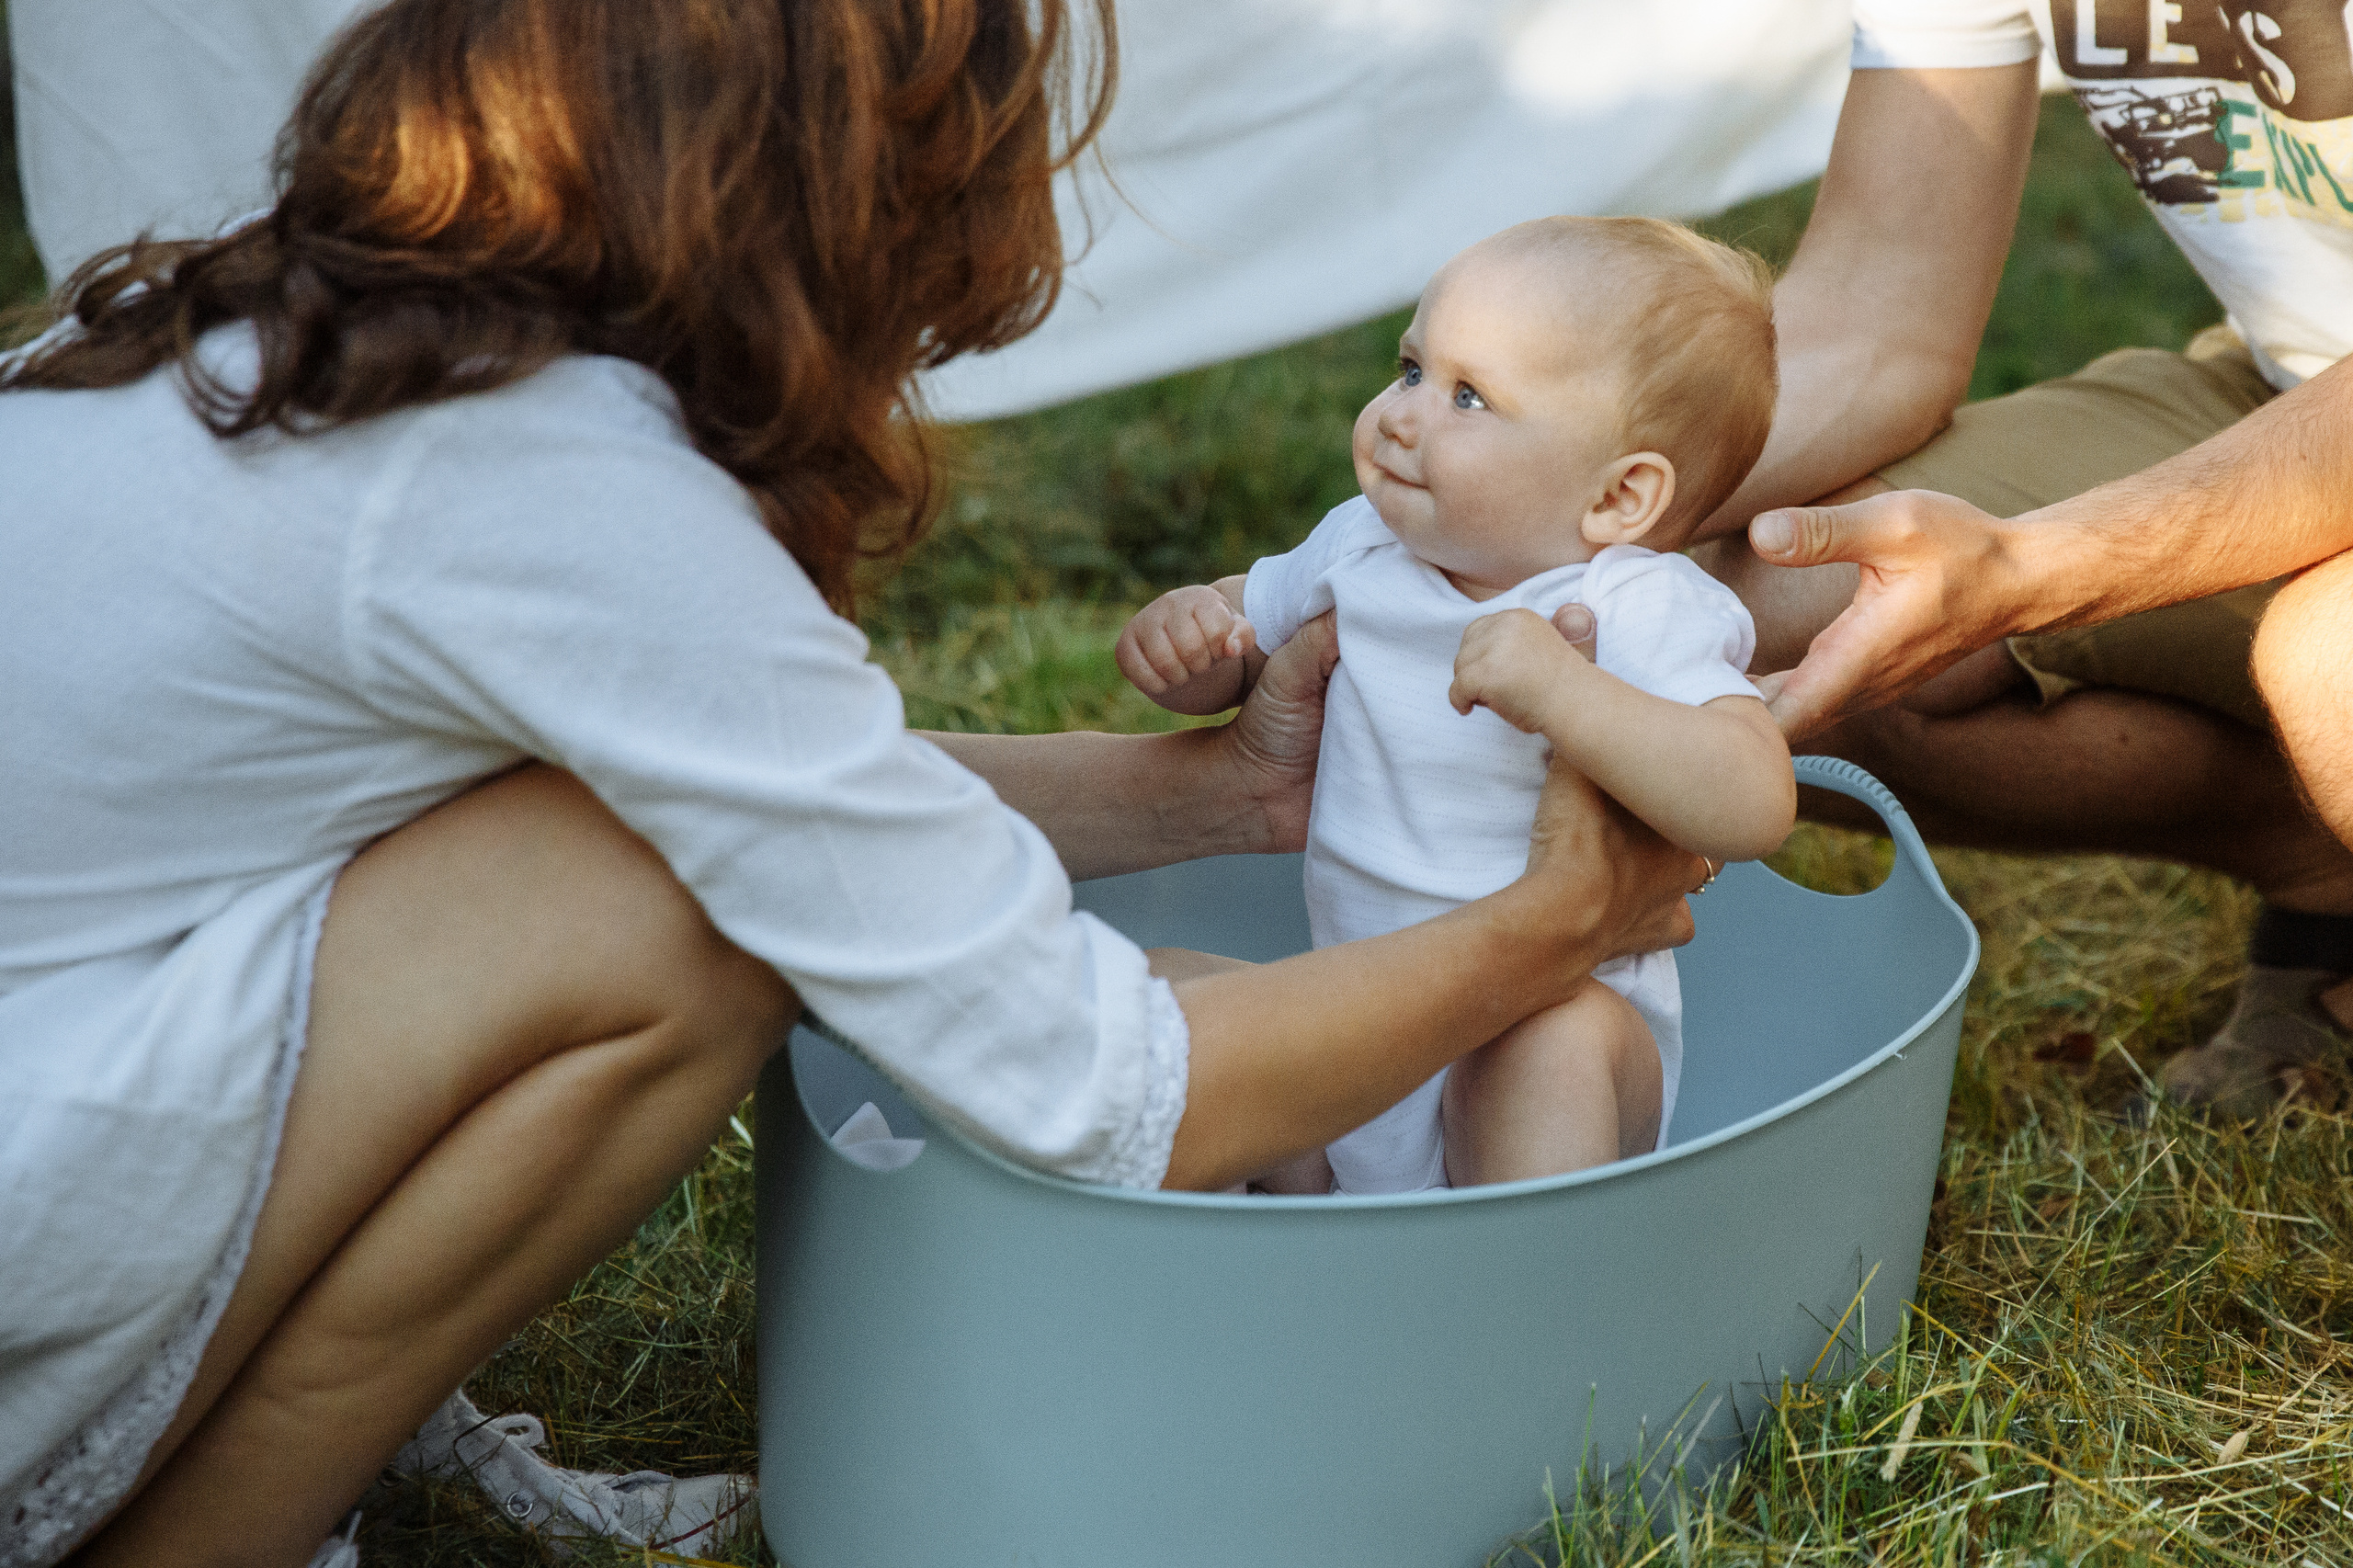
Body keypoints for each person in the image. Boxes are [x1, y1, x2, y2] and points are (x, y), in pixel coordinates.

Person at [0, 4, 1709, 1566]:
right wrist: (1557, 920)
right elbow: (1097, 1087)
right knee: (673, 920)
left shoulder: (263, 336)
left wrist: (1228, 795)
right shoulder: (555, 488)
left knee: (639, 854)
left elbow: (768, 794)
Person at [1687, 0, 2353, 1115]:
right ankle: (2327, 862)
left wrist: (2032, 566)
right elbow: (1873, 312)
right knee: (1735, 611)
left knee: (2329, 660)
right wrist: (1541, 525)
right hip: (2287, 386)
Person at [1117, 219, 1794, 1194]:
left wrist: (1567, 692)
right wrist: (1196, 643)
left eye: (1467, 396)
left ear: (1618, 498)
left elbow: (1754, 802)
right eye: (1409, 370)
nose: (1400, 416)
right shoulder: (1363, 542)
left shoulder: (1629, 604)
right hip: (1357, 1023)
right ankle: (1320, 1230)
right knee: (1147, 992)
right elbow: (1244, 634)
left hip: (1538, 1021)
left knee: (1548, 1048)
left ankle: (1516, 1279)